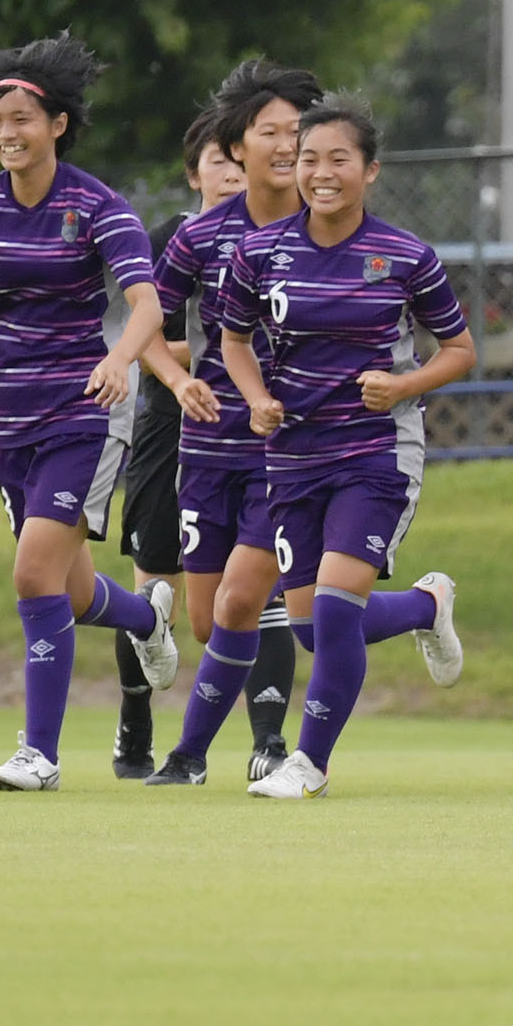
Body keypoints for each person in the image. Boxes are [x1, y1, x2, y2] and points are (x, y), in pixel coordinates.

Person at [0, 34, 181, 790]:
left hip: (81, 415)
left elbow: (146, 304)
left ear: (57, 124)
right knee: (71, 589)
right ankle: (148, 618)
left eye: (22, 118)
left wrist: (118, 359)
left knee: (30, 576)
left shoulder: (95, 205)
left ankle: (39, 755)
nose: (7, 132)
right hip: (9, 421)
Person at [216, 95, 478, 799]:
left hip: (376, 452)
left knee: (333, 611)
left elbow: (459, 350)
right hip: (293, 458)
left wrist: (404, 386)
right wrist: (256, 400)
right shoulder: (259, 252)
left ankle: (308, 765)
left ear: (371, 171)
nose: (321, 173)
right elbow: (233, 342)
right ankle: (427, 607)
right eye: (309, 159)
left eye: (339, 160)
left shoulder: (404, 257)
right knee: (309, 628)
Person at [144, 61, 326, 787]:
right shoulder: (200, 237)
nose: (287, 145)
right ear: (236, 143)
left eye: (298, 132)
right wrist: (179, 378)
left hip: (286, 451)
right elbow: (147, 325)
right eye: (271, 131)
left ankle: (202, 755)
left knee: (244, 598)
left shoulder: (331, 232)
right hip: (207, 447)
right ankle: (424, 606)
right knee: (207, 619)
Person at [109, 114, 248, 778]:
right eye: (220, 160)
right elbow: (151, 333)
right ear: (194, 173)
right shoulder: (172, 240)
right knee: (150, 585)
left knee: (237, 598)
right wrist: (201, 367)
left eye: (241, 161)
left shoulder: (280, 236)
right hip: (170, 421)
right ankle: (134, 725)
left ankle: (261, 740)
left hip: (245, 434)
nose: (233, 173)